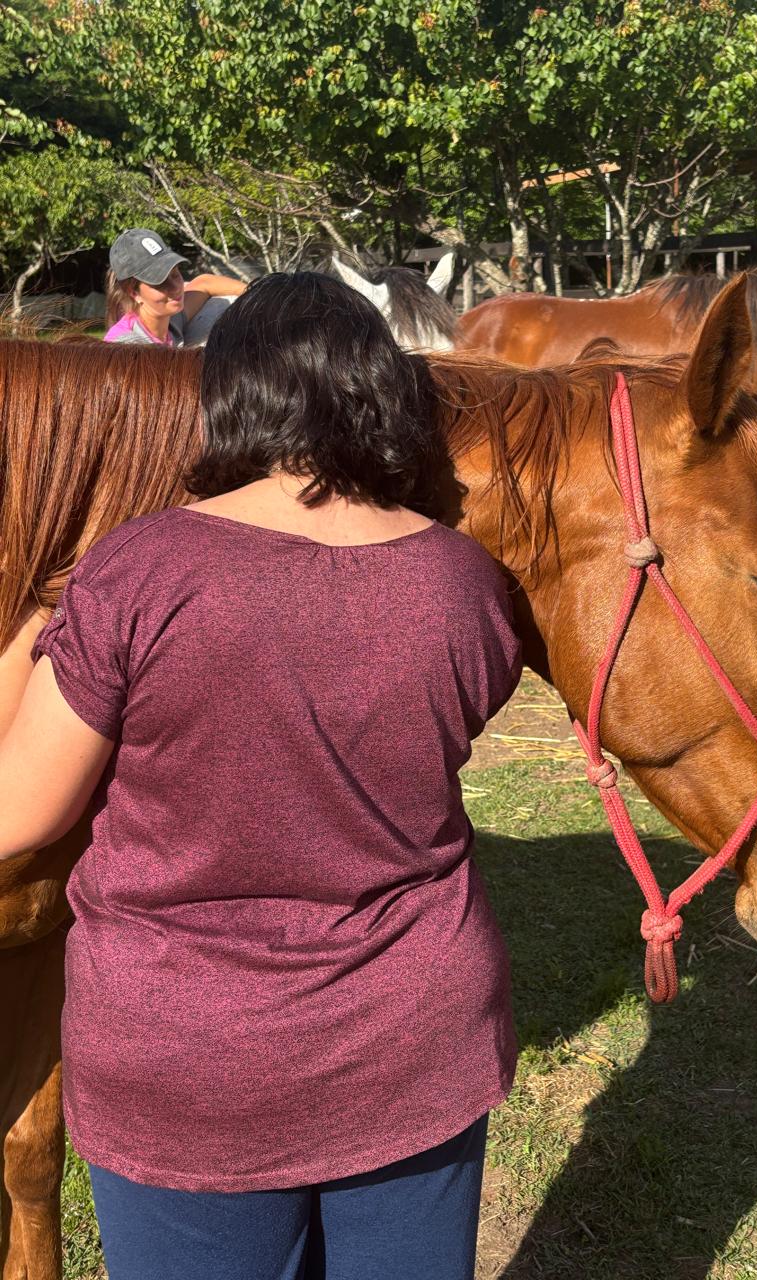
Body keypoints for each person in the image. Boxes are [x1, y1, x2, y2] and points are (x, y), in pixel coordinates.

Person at [0, 273, 522, 1279]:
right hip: (414, 1041)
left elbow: (18, 809)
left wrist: (32, 632)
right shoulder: (465, 581)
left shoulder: (134, 570)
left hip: (186, 1069)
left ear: (227, 393)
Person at [103, 227, 246, 346]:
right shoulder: (125, 346)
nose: (176, 287)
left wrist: (257, 290)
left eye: (175, 274)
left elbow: (204, 283)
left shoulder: (171, 320)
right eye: (160, 282)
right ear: (134, 293)